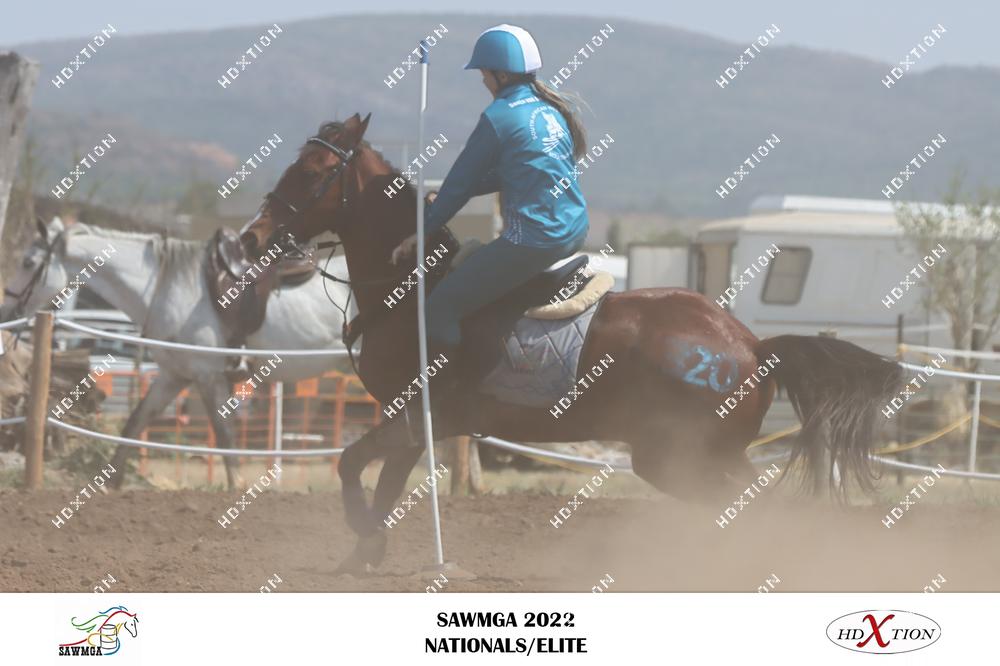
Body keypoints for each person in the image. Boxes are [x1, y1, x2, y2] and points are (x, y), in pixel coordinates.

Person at [390, 23, 589, 435]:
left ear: (499, 74)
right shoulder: (548, 110)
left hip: (532, 241)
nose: (481, 80)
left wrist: (422, 230)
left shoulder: (498, 117)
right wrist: (448, 195)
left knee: (440, 308)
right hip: (574, 228)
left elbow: (460, 184)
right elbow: (510, 173)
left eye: (483, 72)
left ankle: (450, 402)